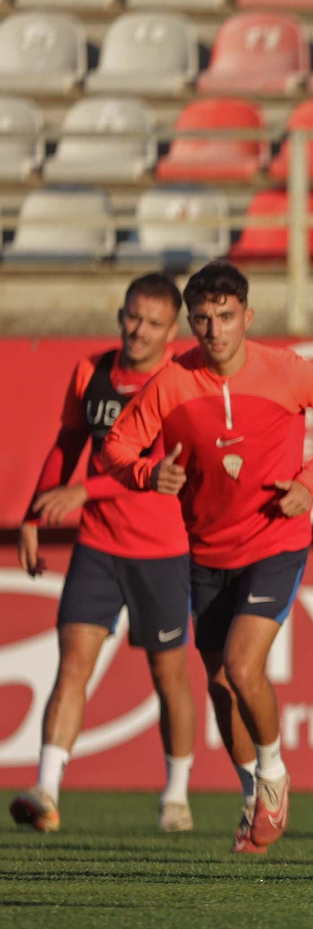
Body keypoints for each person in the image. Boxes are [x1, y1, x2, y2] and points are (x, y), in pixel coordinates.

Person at [102, 262, 313, 854]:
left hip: (275, 541)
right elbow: (117, 445)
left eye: (225, 316)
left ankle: (274, 777)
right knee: (219, 684)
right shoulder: (171, 382)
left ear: (248, 315)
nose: (214, 330)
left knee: (244, 668)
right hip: (206, 550)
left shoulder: (286, 370)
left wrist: (312, 482)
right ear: (188, 325)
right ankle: (252, 796)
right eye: (202, 320)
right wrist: (147, 472)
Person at [10, 275, 196, 834]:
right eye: (132, 316)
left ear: (172, 331)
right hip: (98, 545)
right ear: (121, 313)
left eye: (153, 323)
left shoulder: (178, 383)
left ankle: (177, 795)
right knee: (72, 669)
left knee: (169, 679)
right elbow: (68, 442)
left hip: (163, 550)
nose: (138, 330)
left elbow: (160, 470)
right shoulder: (90, 371)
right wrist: (33, 517)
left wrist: (84, 490)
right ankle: (46, 790)